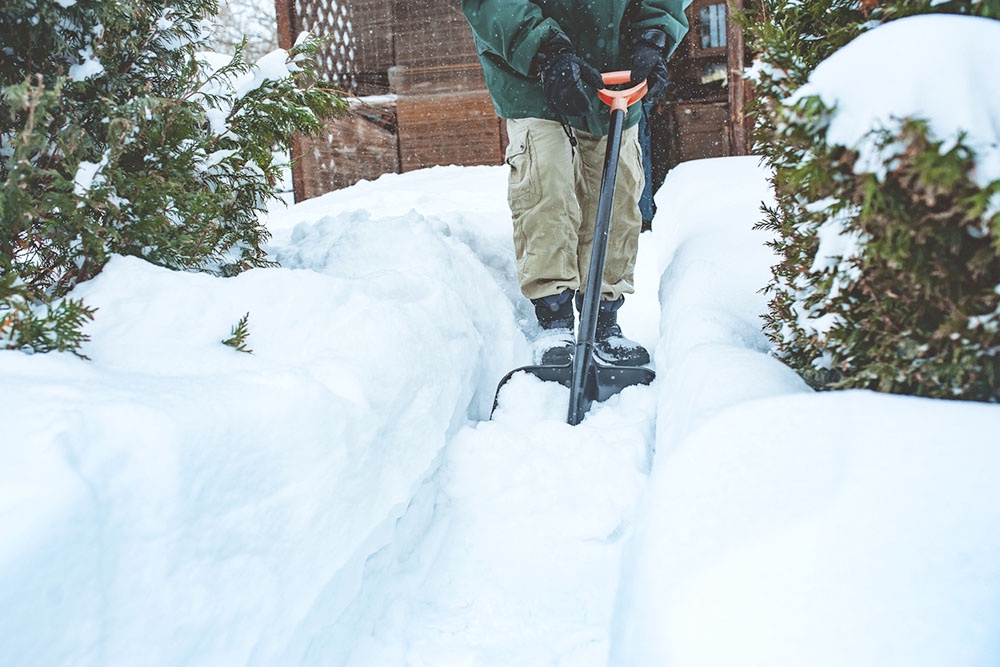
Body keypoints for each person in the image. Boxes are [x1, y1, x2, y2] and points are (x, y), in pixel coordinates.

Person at [462, 0, 689, 366]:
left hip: (616, 73)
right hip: (533, 77)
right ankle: (554, 320)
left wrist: (653, 37)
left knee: (617, 195)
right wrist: (546, 50)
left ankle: (603, 321)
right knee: (547, 186)